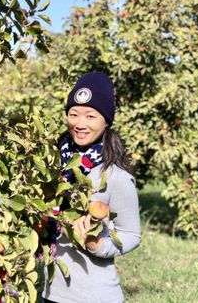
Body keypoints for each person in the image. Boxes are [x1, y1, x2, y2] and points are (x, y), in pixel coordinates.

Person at [42, 72, 141, 303]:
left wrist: (97, 245)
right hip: (49, 292)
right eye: (74, 114)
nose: (80, 124)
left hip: (95, 296)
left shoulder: (115, 175)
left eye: (90, 116)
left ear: (106, 121)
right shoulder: (53, 166)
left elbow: (132, 235)